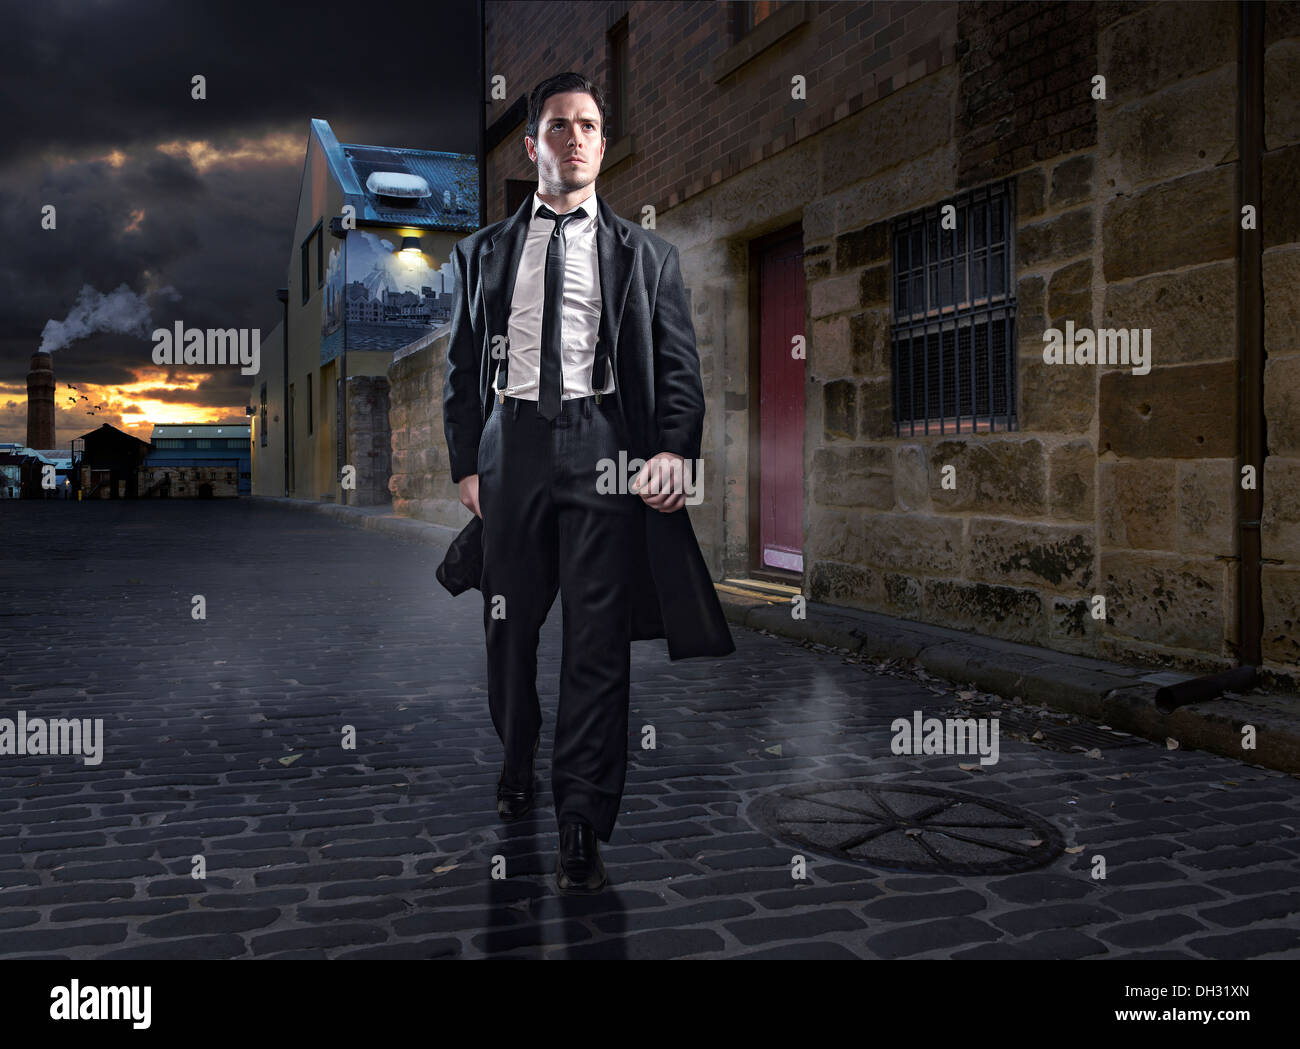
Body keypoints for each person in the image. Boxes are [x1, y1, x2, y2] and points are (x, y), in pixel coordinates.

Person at [440, 72, 734, 894]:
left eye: (590, 126)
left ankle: (581, 815)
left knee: (597, 645)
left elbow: (680, 369)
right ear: (533, 143)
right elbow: (462, 370)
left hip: (604, 446)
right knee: (509, 631)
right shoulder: (482, 254)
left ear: (603, 145)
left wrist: (673, 449)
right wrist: (468, 462)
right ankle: (516, 755)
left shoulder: (649, 258)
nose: (576, 138)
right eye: (560, 125)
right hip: (511, 447)